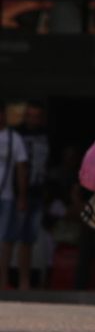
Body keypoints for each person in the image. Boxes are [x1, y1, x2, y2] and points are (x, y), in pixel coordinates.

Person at [5, 102, 48, 288]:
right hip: (15, 193)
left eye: (37, 116)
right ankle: (4, 280)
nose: (33, 120)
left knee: (28, 238)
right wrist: (19, 194)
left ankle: (24, 281)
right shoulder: (16, 136)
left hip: (37, 191)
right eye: (30, 115)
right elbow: (19, 167)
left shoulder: (46, 136)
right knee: (9, 237)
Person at [0, 108, 28, 290]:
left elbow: (21, 168)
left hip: (6, 196)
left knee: (4, 241)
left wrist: (22, 196)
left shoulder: (14, 138)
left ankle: (2, 282)